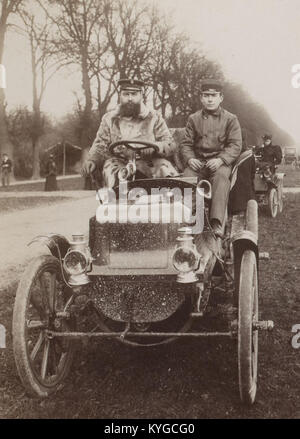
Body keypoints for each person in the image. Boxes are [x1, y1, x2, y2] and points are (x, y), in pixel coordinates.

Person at [81, 77, 177, 187]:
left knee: (166, 170)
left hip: (150, 162)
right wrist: (92, 160)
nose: (130, 98)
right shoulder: (109, 119)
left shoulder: (154, 117)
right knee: (111, 171)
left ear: (141, 96)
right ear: (120, 96)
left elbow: (170, 144)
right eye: (126, 94)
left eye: (134, 94)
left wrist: (156, 146)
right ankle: (118, 200)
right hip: (120, 162)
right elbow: (100, 144)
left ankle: (172, 201)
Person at [180, 78, 242, 236]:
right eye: (206, 95)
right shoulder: (193, 119)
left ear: (221, 98)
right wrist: (190, 159)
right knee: (187, 178)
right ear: (201, 98)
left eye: (213, 96)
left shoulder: (231, 119)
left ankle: (216, 222)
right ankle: (189, 219)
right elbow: (186, 144)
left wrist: (221, 160)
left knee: (221, 179)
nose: (209, 99)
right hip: (198, 162)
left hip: (220, 162)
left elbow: (235, 145)